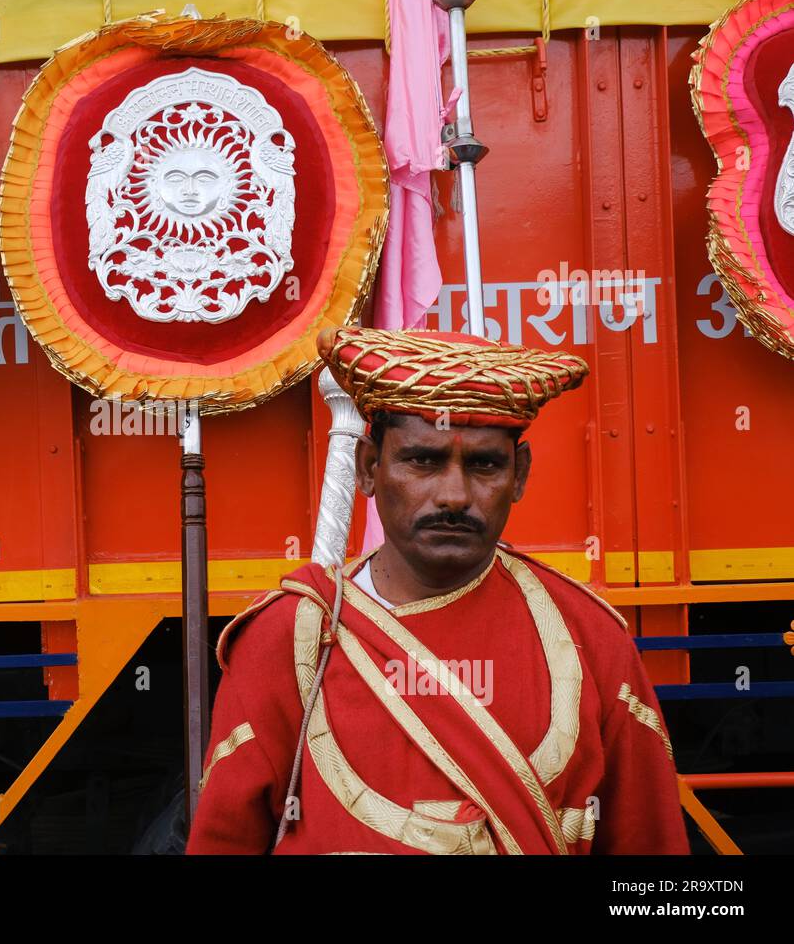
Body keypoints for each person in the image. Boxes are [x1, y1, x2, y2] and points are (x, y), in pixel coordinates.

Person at [187, 327, 690, 855]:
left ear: (519, 475)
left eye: (484, 465)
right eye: (423, 460)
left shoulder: (591, 640)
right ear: (368, 468)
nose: (454, 495)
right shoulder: (287, 640)